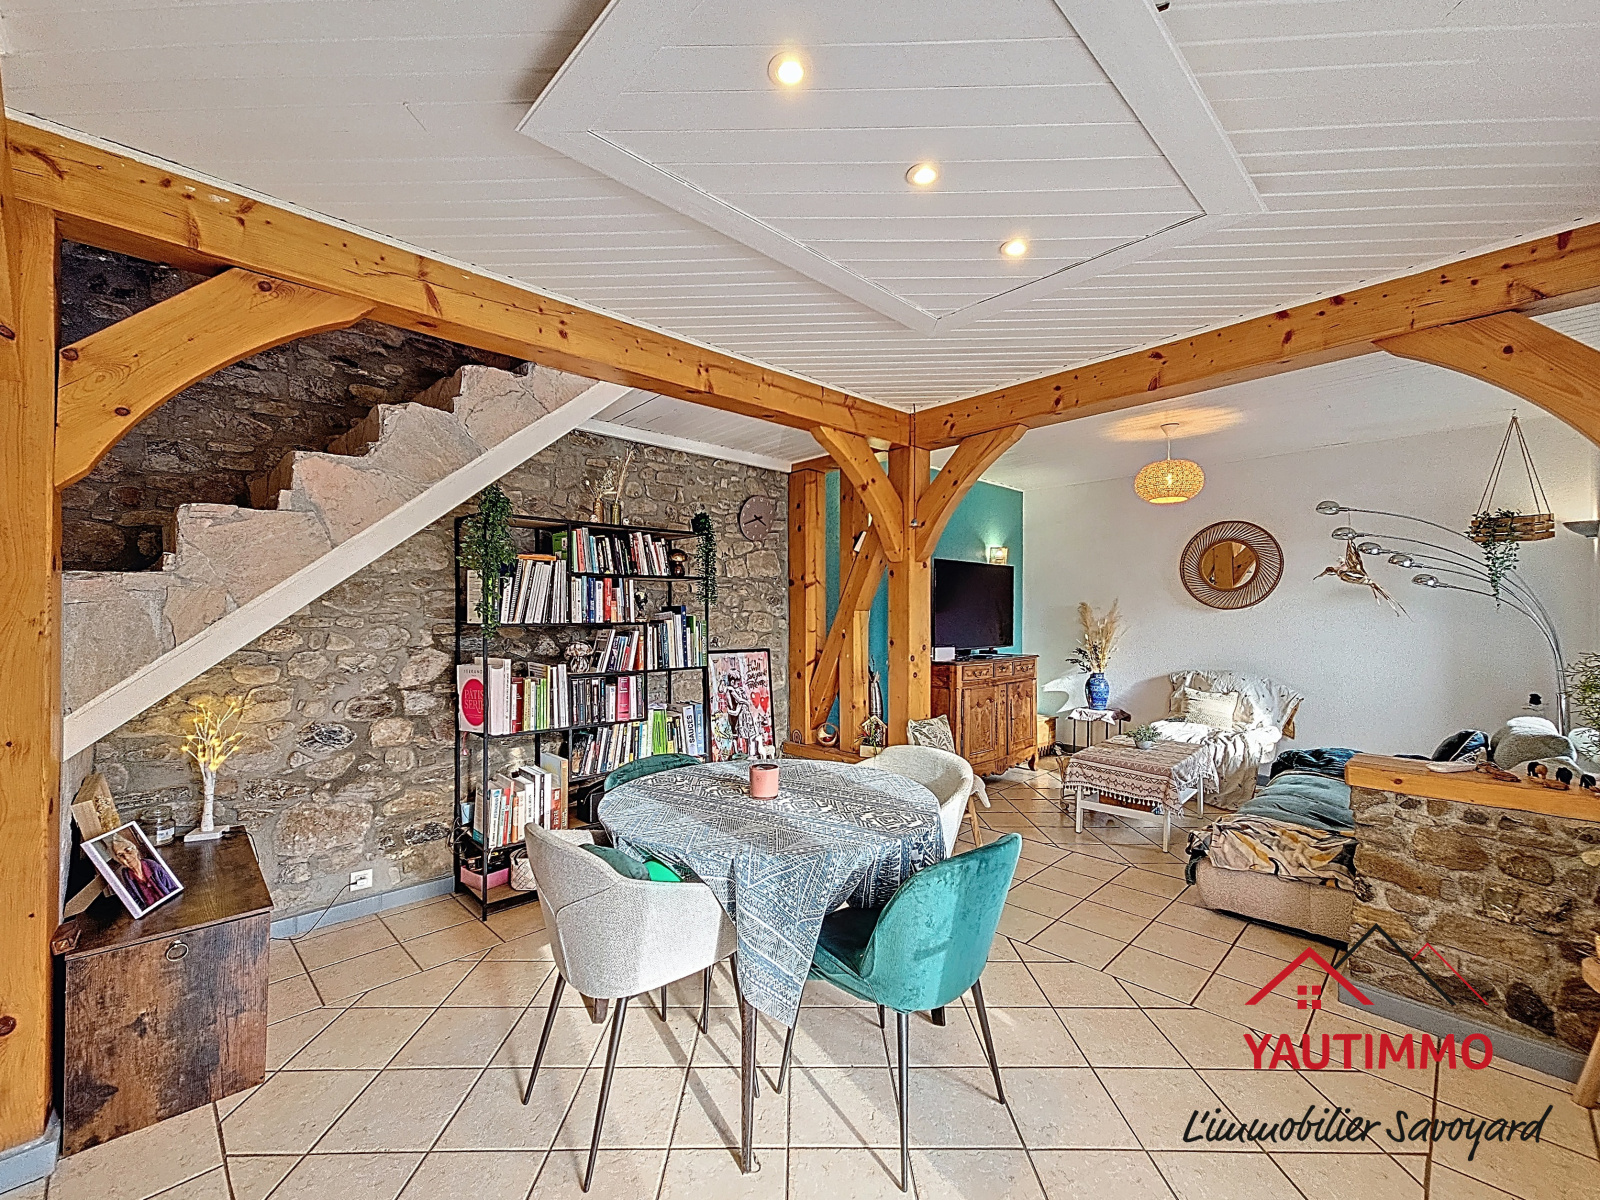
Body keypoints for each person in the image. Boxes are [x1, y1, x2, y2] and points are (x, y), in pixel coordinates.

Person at [108, 833, 180, 909]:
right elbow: (134, 900)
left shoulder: (152, 866)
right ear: (118, 860)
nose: (127, 857)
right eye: (120, 855)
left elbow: (173, 888)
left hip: (170, 904)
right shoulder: (127, 875)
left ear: (135, 850)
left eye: (128, 850)